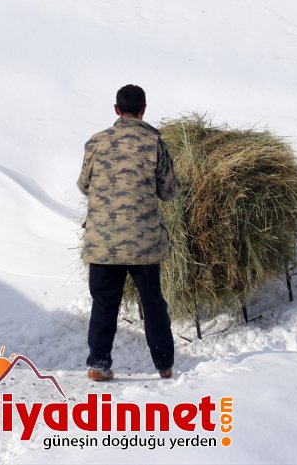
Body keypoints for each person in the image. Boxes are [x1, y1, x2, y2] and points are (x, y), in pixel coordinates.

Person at [77, 84, 181, 381]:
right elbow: (170, 190)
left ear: (116, 110)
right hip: (143, 242)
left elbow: (84, 185)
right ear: (144, 109)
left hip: (103, 241)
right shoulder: (153, 142)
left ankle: (98, 364)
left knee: (104, 303)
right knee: (152, 303)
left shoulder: (96, 142)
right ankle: (164, 366)